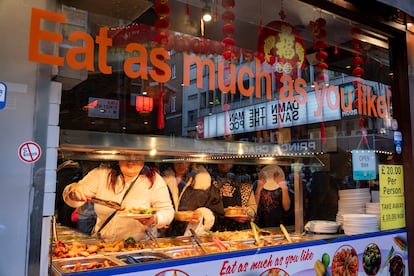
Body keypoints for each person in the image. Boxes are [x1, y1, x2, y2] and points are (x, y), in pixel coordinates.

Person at [63, 157, 174, 242]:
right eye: (125, 155)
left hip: (138, 246)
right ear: (118, 158)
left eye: (137, 155)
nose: (130, 160)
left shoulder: (154, 180)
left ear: (144, 158)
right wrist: (73, 190)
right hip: (103, 244)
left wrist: (155, 219)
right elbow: (74, 196)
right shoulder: (102, 174)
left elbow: (168, 212)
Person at [162, 162, 224, 236]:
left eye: (186, 160)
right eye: (178, 159)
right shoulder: (162, 181)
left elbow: (218, 213)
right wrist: (161, 218)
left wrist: (202, 214)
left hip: (193, 237)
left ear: (191, 162)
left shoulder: (203, 182)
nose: (181, 164)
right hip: (165, 237)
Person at [210, 163, 256, 231]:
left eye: (228, 161)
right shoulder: (211, 183)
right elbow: (208, 208)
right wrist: (226, 212)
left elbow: (253, 208)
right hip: (219, 228)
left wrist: (246, 214)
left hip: (242, 230)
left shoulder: (245, 184)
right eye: (222, 159)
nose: (224, 163)